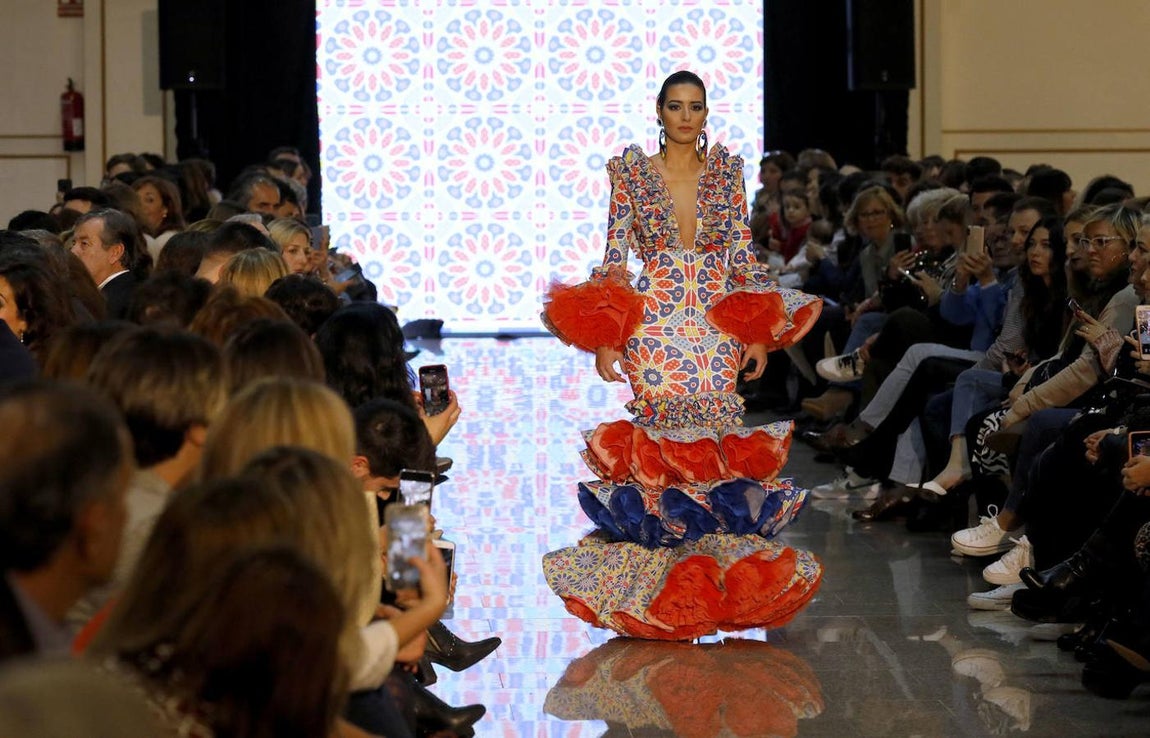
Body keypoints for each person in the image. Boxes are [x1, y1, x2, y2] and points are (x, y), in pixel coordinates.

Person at [540, 71, 823, 640]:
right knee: (663, 454)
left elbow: (742, 253)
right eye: (676, 106)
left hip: (717, 327)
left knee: (713, 455)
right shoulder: (633, 176)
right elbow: (615, 255)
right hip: (657, 327)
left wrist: (757, 332)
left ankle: (708, 591)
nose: (686, 116)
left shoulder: (725, 173)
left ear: (706, 112)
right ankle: (660, 595)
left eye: (695, 106)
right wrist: (608, 334)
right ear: (659, 111)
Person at [0, 382, 131, 661]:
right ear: (93, 526)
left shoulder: (40, 633)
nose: (127, 516)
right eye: (121, 498)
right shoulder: (23, 672)